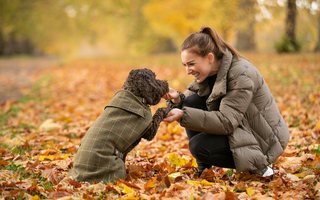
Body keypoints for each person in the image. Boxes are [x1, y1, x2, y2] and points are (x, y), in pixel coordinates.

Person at [162, 26, 289, 177]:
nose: (187, 71)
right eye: (185, 65)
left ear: (209, 58)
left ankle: (258, 164)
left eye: (191, 64)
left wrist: (183, 114)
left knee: (198, 146)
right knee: (190, 102)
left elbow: (227, 122)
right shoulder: (208, 72)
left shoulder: (241, 73)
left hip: (263, 139)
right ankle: (204, 169)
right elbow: (188, 103)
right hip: (239, 127)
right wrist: (176, 98)